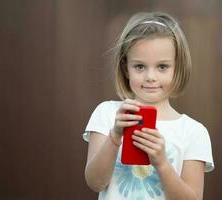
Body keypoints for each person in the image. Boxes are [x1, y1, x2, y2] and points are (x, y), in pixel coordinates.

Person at [83, 11, 214, 200]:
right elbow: (95, 182)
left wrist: (162, 163)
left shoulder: (194, 132)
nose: (150, 76)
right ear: (125, 68)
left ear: (178, 68)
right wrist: (115, 136)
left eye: (162, 67)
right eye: (140, 66)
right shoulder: (107, 114)